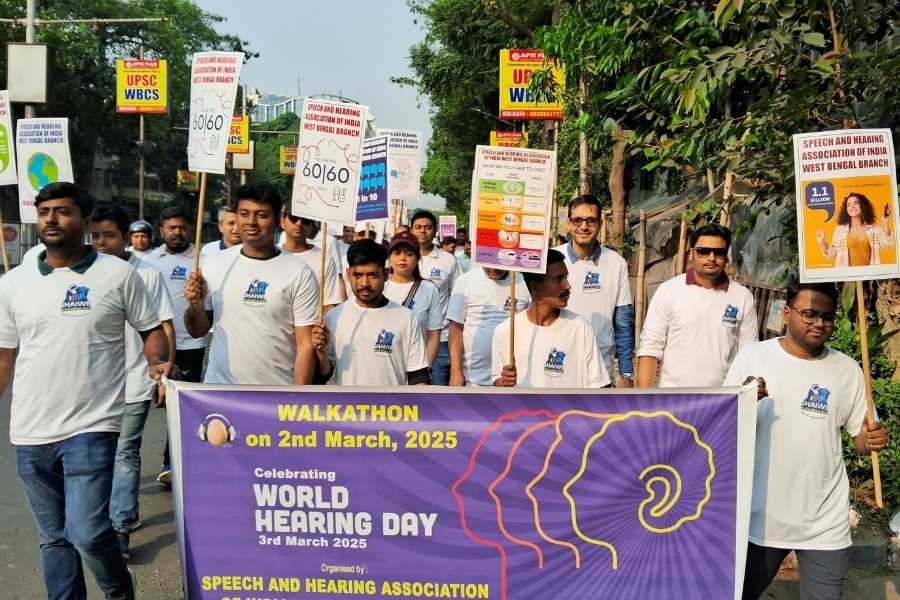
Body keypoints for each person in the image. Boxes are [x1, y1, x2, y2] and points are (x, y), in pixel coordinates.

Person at [0, 182, 171, 600]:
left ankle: (117, 589)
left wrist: (157, 363)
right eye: (44, 212)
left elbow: (152, 329)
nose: (51, 220)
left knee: (88, 531)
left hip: (92, 424)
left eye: (62, 211)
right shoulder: (14, 282)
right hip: (29, 429)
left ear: (85, 221)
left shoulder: (118, 275)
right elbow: (5, 355)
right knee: (53, 537)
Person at [724, 282, 890, 600]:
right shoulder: (753, 357)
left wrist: (870, 439)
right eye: (810, 313)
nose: (819, 323)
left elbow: (860, 436)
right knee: (735, 594)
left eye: (827, 316)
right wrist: (743, 400)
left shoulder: (848, 369)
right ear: (787, 313)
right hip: (761, 516)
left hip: (824, 521)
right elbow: (724, 426)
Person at [90, 204, 176, 559]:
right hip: (90, 387)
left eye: (109, 236)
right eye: (94, 236)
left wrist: (162, 371)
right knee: (96, 459)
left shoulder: (149, 274)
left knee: (125, 454)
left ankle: (121, 527)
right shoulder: (83, 274)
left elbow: (165, 325)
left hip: (134, 381)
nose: (101, 243)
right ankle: (98, 522)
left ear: (126, 238)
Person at [184, 182, 320, 385]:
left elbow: (306, 344)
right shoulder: (214, 263)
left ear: (277, 221)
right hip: (221, 391)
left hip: (275, 396)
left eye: (261, 215)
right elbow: (197, 330)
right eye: (244, 213)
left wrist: (295, 400)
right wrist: (196, 304)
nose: (251, 222)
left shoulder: (299, 272)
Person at [637, 223, 757, 388]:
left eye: (719, 252)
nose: (711, 258)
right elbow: (650, 349)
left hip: (722, 401)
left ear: (726, 257)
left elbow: (749, 353)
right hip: (675, 400)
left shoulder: (743, 297)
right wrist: (645, 400)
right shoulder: (669, 291)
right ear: (691, 254)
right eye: (703, 251)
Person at [145, 205, 208, 486]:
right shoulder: (149, 262)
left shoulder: (202, 260)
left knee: (182, 406)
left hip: (191, 343)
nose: (177, 232)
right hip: (157, 347)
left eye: (182, 227)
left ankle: (174, 463)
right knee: (155, 406)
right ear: (161, 231)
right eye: (171, 228)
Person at [312, 240, 429, 386]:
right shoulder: (333, 317)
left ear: (386, 274)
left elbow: (419, 378)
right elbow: (324, 375)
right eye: (358, 275)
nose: (364, 283)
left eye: (372, 275)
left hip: (391, 407)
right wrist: (321, 353)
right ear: (348, 274)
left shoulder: (406, 317)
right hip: (344, 407)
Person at [492, 249, 610, 388]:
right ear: (535, 288)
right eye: (559, 279)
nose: (567, 286)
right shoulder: (505, 331)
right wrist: (503, 382)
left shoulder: (580, 327)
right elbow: (498, 383)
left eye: (566, 277)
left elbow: (599, 385)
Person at [554, 194, 635, 386]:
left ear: (599, 223)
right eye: (577, 220)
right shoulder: (553, 260)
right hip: (558, 369)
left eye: (590, 220)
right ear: (569, 223)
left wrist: (626, 374)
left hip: (600, 372)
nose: (584, 227)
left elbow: (623, 323)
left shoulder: (617, 264)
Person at [448, 265, 530, 386]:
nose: (494, 269)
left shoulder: (523, 282)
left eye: (499, 265)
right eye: (489, 265)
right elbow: (455, 328)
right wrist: (456, 372)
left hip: (509, 381)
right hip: (472, 381)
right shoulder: (465, 281)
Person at [411, 209, 461, 385]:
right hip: (408, 337)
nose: (423, 231)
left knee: (437, 394)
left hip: (441, 338)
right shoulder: (402, 259)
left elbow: (458, 296)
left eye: (427, 227)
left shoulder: (448, 260)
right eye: (418, 227)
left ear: (435, 230)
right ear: (411, 230)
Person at [384, 231, 443, 365]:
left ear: (417, 259)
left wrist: (423, 371)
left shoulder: (429, 289)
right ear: (389, 258)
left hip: (416, 368)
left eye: (409, 254)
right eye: (397, 253)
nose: (402, 258)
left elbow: (434, 335)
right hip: (383, 365)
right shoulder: (380, 287)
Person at [280, 210, 343, 311]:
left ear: (312, 226)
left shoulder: (324, 259)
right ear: (282, 221)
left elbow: (329, 304)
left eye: (305, 220)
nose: (299, 223)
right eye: (294, 218)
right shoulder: (271, 255)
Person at [816, 193, 893, 267]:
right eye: (849, 205)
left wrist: (885, 223)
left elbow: (888, 245)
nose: (852, 206)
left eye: (856, 203)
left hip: (870, 275)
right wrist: (822, 242)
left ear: (863, 206)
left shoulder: (874, 228)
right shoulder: (840, 230)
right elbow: (831, 254)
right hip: (848, 275)